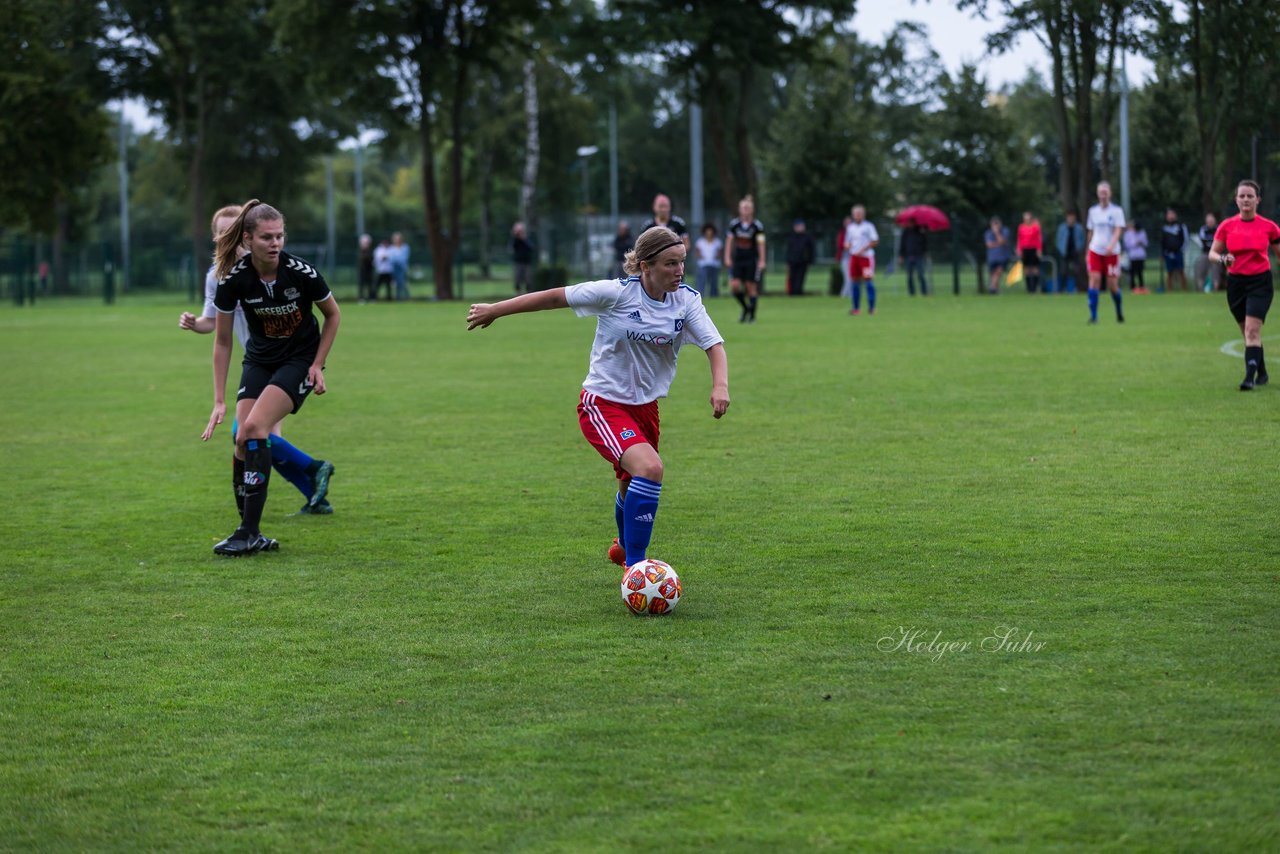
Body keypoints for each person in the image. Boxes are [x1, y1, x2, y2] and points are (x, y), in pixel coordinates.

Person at [465, 226, 729, 569]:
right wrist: (496, 309)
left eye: (682, 262)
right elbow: (555, 297)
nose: (679, 271)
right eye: (670, 264)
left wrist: (720, 385)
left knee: (630, 484)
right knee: (650, 468)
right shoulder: (614, 294)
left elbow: (714, 344)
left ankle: (623, 546)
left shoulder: (686, 301)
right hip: (602, 403)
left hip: (646, 408)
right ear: (645, 266)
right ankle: (636, 568)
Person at [201, 200, 341, 555]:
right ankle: (248, 531)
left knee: (253, 429)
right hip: (260, 361)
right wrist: (219, 399)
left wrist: (317, 365)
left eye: (279, 235)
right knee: (239, 440)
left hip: (297, 360)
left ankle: (249, 531)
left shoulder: (301, 273)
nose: (275, 243)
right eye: (266, 237)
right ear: (248, 238)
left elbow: (333, 316)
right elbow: (221, 341)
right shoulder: (233, 280)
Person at [1208, 180, 1280, 390]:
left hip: (1260, 283)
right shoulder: (1227, 226)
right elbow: (1213, 253)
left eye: (1250, 196)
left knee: (1251, 330)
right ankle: (1263, 372)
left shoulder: (1270, 227)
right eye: (1242, 196)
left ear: (1258, 200)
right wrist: (1223, 260)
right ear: (1236, 200)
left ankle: (1249, 378)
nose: (1246, 200)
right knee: (1247, 333)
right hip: (1236, 284)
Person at [1085, 181, 1125, 324]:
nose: (1103, 195)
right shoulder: (1092, 211)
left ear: (1110, 194)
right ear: (1097, 194)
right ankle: (1094, 316)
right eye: (1101, 192)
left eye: (1105, 192)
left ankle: (1119, 312)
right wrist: (1087, 251)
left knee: (1112, 284)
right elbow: (1091, 231)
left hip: (1111, 252)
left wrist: (1111, 245)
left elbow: (1118, 230)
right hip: (1095, 250)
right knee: (1094, 280)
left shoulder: (1116, 211)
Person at [724, 196, 767, 322]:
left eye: (748, 208)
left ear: (752, 210)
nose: (746, 210)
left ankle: (752, 315)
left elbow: (761, 243)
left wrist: (762, 259)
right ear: (739, 209)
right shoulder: (735, 225)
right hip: (738, 259)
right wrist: (727, 257)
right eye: (743, 207)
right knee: (735, 286)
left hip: (751, 259)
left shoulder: (757, 226)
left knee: (750, 286)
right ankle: (746, 308)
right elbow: (729, 241)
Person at [844, 205, 878, 313]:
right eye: (855, 214)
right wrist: (847, 246)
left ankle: (871, 308)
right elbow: (847, 241)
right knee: (854, 283)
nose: (857, 216)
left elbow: (875, 241)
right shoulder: (850, 228)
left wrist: (863, 249)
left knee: (868, 282)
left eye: (859, 213)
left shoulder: (869, 226)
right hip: (854, 258)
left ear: (863, 214)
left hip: (866, 258)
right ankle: (856, 308)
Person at [1055, 210, 1085, 294]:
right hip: (1064, 252)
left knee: (1077, 271)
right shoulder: (1062, 228)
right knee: (1063, 271)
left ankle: (1077, 288)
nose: (1071, 220)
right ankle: (1063, 288)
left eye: (1072, 218)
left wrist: (1079, 248)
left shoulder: (1079, 228)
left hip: (1075, 252)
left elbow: (1082, 239)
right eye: (1069, 218)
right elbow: (1058, 240)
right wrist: (1060, 249)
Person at [1160, 208, 1189, 292]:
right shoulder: (1164, 228)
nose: (1170, 216)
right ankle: (1170, 290)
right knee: (1169, 272)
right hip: (1168, 254)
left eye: (1172, 214)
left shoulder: (1181, 226)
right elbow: (1162, 242)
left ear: (1175, 215)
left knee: (1181, 271)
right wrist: (1162, 253)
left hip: (1178, 253)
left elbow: (1185, 240)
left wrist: (1182, 250)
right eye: (1169, 214)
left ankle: (1184, 290)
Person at [785, 219, 816, 296]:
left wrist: (810, 260)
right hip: (793, 260)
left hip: (803, 261)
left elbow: (811, 250)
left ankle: (798, 292)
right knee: (792, 277)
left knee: (800, 278)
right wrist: (788, 260)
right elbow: (789, 250)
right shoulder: (792, 237)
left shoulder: (808, 237)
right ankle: (792, 292)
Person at [898, 221, 928, 296]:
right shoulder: (906, 232)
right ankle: (912, 293)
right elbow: (902, 244)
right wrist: (901, 256)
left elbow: (925, 244)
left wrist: (923, 232)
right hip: (908, 256)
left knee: (920, 274)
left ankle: (924, 292)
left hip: (919, 256)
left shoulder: (920, 231)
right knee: (909, 276)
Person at [1195, 213, 1224, 293]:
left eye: (1211, 220)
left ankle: (1215, 290)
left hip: (1216, 254)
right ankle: (1201, 290)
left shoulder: (1219, 228)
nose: (1210, 222)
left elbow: (1221, 241)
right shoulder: (1203, 229)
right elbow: (1203, 240)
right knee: (1201, 271)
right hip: (1205, 253)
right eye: (1208, 220)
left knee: (1216, 272)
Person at [984, 216, 1012, 295]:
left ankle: (992, 287)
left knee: (998, 272)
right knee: (993, 273)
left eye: (997, 225)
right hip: (992, 257)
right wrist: (998, 244)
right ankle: (995, 289)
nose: (995, 227)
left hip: (1003, 256)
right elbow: (989, 245)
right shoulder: (988, 233)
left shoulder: (1005, 231)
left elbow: (1002, 241)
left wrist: (997, 233)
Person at [1016, 211, 1043, 294]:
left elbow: (1038, 239)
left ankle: (1034, 287)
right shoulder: (1021, 227)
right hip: (1025, 249)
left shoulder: (1036, 227)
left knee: (1035, 268)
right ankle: (1028, 288)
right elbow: (1019, 239)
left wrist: (1039, 249)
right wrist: (1019, 250)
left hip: (1033, 249)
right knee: (1026, 268)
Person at [694, 223, 722, 297]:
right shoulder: (700, 242)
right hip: (703, 264)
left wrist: (716, 256)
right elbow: (697, 252)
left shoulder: (717, 242)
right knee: (701, 280)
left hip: (714, 264)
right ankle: (700, 295)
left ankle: (713, 295)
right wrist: (701, 256)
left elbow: (720, 252)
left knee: (714, 281)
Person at [1123, 220, 1149, 294]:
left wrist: (1141, 242)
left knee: (1140, 272)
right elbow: (1127, 245)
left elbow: (1146, 243)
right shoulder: (1128, 234)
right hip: (1132, 255)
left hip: (1141, 255)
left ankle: (1141, 287)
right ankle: (1132, 287)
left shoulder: (1142, 232)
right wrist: (1135, 243)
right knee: (1132, 272)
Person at [512, 222, 534, 293]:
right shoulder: (515, 239)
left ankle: (529, 294)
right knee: (517, 279)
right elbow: (513, 246)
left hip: (527, 262)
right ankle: (518, 294)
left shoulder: (526, 239)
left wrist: (523, 239)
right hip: (518, 262)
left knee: (528, 280)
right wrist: (517, 236)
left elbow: (531, 247)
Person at [835, 215, 853, 297]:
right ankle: (844, 294)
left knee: (852, 278)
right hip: (845, 258)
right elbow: (841, 245)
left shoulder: (855, 233)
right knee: (848, 278)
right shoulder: (842, 233)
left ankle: (850, 295)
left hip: (854, 258)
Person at [390, 232, 410, 300]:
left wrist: (398, 260)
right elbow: (391, 258)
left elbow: (404, 258)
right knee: (397, 284)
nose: (397, 240)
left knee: (403, 283)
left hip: (402, 268)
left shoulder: (405, 247)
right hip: (394, 268)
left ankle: (406, 297)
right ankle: (398, 297)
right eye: (396, 239)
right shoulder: (391, 248)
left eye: (398, 239)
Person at [357, 234, 374, 303]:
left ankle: (371, 298)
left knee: (370, 284)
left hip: (369, 270)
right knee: (362, 284)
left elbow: (371, 260)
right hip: (362, 271)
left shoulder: (371, 251)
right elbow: (361, 260)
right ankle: (361, 298)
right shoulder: (361, 251)